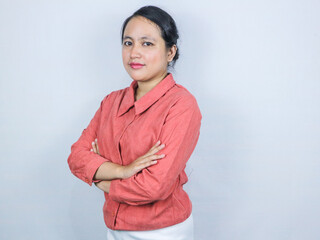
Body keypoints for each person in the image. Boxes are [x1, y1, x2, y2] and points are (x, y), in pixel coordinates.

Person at [67, 5, 202, 240]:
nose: (134, 53)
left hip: (163, 231)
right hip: (114, 228)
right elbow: (77, 157)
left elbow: (154, 186)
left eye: (147, 43)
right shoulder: (111, 102)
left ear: (170, 52)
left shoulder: (181, 105)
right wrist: (123, 171)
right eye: (128, 43)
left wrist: (101, 180)